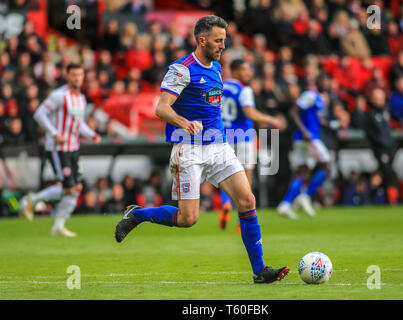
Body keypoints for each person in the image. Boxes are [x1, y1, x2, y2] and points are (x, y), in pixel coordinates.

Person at [114, 15, 289, 284]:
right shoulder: (181, 69)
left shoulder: (217, 67)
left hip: (219, 147)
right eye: (218, 40)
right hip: (190, 149)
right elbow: (161, 108)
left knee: (247, 200)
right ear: (202, 40)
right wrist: (185, 123)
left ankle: (260, 270)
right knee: (187, 219)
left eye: (225, 40)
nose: (223, 45)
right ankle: (137, 214)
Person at [19, 63, 101, 236]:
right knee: (69, 187)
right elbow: (39, 114)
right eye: (74, 75)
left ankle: (58, 226)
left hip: (74, 148)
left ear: (83, 76)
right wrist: (55, 133)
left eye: (80, 74)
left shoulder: (81, 98)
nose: (77, 78)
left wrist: (92, 134)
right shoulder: (59, 96)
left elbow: (79, 124)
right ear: (67, 76)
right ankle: (31, 200)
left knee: (76, 188)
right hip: (58, 148)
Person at [219, 59, 286, 231]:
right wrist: (272, 119)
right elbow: (249, 113)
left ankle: (226, 203)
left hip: (225, 136)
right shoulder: (244, 90)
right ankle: (242, 221)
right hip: (244, 136)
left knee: (225, 175)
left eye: (249, 70)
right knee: (246, 180)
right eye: (244, 70)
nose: (248, 73)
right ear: (234, 71)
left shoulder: (220, 87)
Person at [277, 77, 331, 218]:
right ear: (317, 82)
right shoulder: (310, 95)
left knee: (303, 173)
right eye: (323, 80)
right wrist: (305, 131)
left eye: (327, 81)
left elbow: (312, 117)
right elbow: (293, 111)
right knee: (326, 166)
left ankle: (286, 204)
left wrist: (325, 123)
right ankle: (305, 196)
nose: (326, 83)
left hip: (305, 138)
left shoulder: (318, 98)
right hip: (308, 138)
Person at [364, 88, 399, 204]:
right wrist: (380, 144)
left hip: (390, 148)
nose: (380, 100)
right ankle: (376, 198)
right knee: (386, 174)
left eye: (382, 98)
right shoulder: (371, 115)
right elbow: (370, 134)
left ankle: (385, 199)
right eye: (378, 98)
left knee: (387, 174)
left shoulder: (385, 113)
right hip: (380, 149)